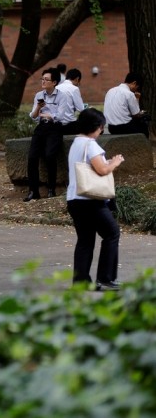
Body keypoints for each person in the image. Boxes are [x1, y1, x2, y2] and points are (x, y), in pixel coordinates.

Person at [66, 108, 124, 290]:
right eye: (101, 128)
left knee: (85, 240)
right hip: (90, 200)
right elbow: (102, 170)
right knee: (112, 233)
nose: (101, 131)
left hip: (74, 198)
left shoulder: (76, 143)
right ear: (98, 127)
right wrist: (115, 162)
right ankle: (105, 279)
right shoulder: (90, 145)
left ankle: (81, 281)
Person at [24, 68, 70, 201]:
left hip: (55, 128)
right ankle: (33, 191)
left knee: (50, 155)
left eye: (46, 79)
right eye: (42, 79)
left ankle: (51, 189)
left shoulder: (62, 96)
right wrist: (39, 108)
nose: (43, 82)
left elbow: (60, 116)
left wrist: (47, 115)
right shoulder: (39, 95)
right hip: (41, 127)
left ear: (54, 82)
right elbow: (33, 116)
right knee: (32, 157)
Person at [103, 72, 150, 137]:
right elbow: (136, 114)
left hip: (111, 127)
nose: (136, 89)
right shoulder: (129, 94)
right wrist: (137, 99)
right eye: (137, 87)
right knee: (144, 124)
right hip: (124, 127)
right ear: (134, 83)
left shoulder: (110, 91)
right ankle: (143, 146)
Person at [55, 68, 84, 135]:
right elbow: (81, 109)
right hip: (69, 126)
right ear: (77, 79)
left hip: (56, 126)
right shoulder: (74, 89)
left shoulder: (56, 87)